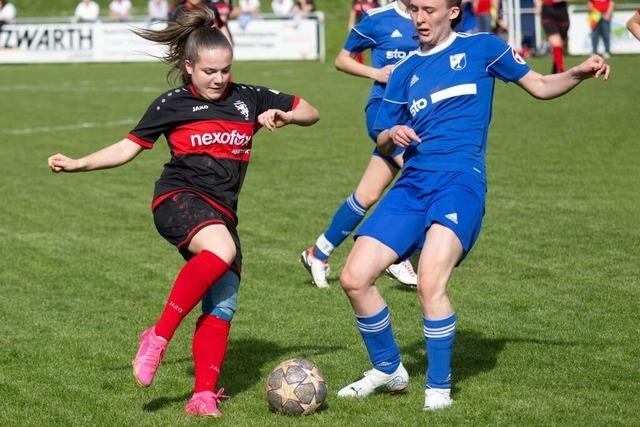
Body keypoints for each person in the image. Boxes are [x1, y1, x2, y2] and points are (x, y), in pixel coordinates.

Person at [336, 0, 609, 411]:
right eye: (415, 10)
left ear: (453, 12)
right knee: (354, 277)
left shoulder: (484, 47)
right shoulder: (406, 69)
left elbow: (539, 85)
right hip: (412, 184)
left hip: (460, 183)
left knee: (430, 282)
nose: (420, 18)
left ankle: (439, 390)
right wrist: (393, 131)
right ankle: (389, 367)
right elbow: (381, 139)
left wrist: (577, 73)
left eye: (429, 9)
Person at [47, 9, 319, 417]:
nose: (218, 79)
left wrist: (287, 115)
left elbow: (310, 111)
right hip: (178, 199)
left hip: (222, 213)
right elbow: (128, 147)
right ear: (189, 66)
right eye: (209, 71)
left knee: (223, 302)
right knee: (222, 251)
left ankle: (203, 395)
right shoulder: (173, 104)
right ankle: (156, 337)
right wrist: (78, 163)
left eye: (225, 70)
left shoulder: (249, 98)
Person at [300, 0, 419, 289]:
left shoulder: (431, 15)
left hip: (416, 115)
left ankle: (319, 252)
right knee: (422, 178)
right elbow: (342, 59)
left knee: (367, 194)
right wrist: (376, 73)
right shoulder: (377, 18)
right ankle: (396, 252)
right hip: (384, 114)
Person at [535, 0, 570, 73]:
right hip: (548, 14)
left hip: (562, 15)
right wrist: (538, 6)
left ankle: (554, 72)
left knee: (560, 46)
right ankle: (561, 70)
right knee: (556, 43)